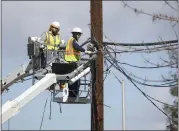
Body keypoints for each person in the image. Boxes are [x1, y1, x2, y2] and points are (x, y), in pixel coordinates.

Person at [64, 27, 92, 98]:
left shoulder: (71, 41)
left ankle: (73, 94)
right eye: (78, 34)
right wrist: (85, 51)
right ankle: (73, 95)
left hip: (72, 62)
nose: (79, 36)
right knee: (74, 80)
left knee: (75, 79)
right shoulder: (72, 40)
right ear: (74, 34)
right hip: (72, 62)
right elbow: (77, 47)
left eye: (80, 35)